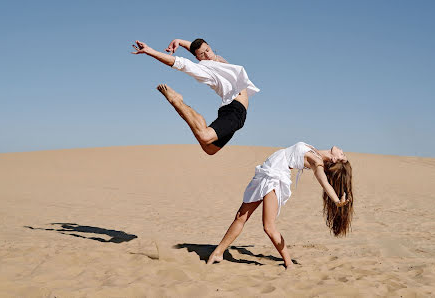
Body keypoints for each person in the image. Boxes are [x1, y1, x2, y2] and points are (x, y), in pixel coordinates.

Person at [207, 142, 354, 269]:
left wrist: (336, 200)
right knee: (241, 216)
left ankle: (288, 263)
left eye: (342, 155)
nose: (342, 150)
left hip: (274, 178)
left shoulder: (317, 162)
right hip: (266, 173)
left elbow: (324, 182)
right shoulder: (315, 151)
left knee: (268, 227)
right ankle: (218, 253)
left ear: (334, 159)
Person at [131, 38, 259, 155]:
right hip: (235, 110)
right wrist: (150, 51)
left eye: (208, 50)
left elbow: (195, 48)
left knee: (209, 149)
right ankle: (177, 101)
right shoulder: (205, 69)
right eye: (203, 54)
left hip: (232, 110)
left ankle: (179, 103)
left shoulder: (218, 59)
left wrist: (179, 41)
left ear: (210, 46)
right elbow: (180, 63)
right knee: (205, 136)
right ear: (198, 58)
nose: (208, 55)